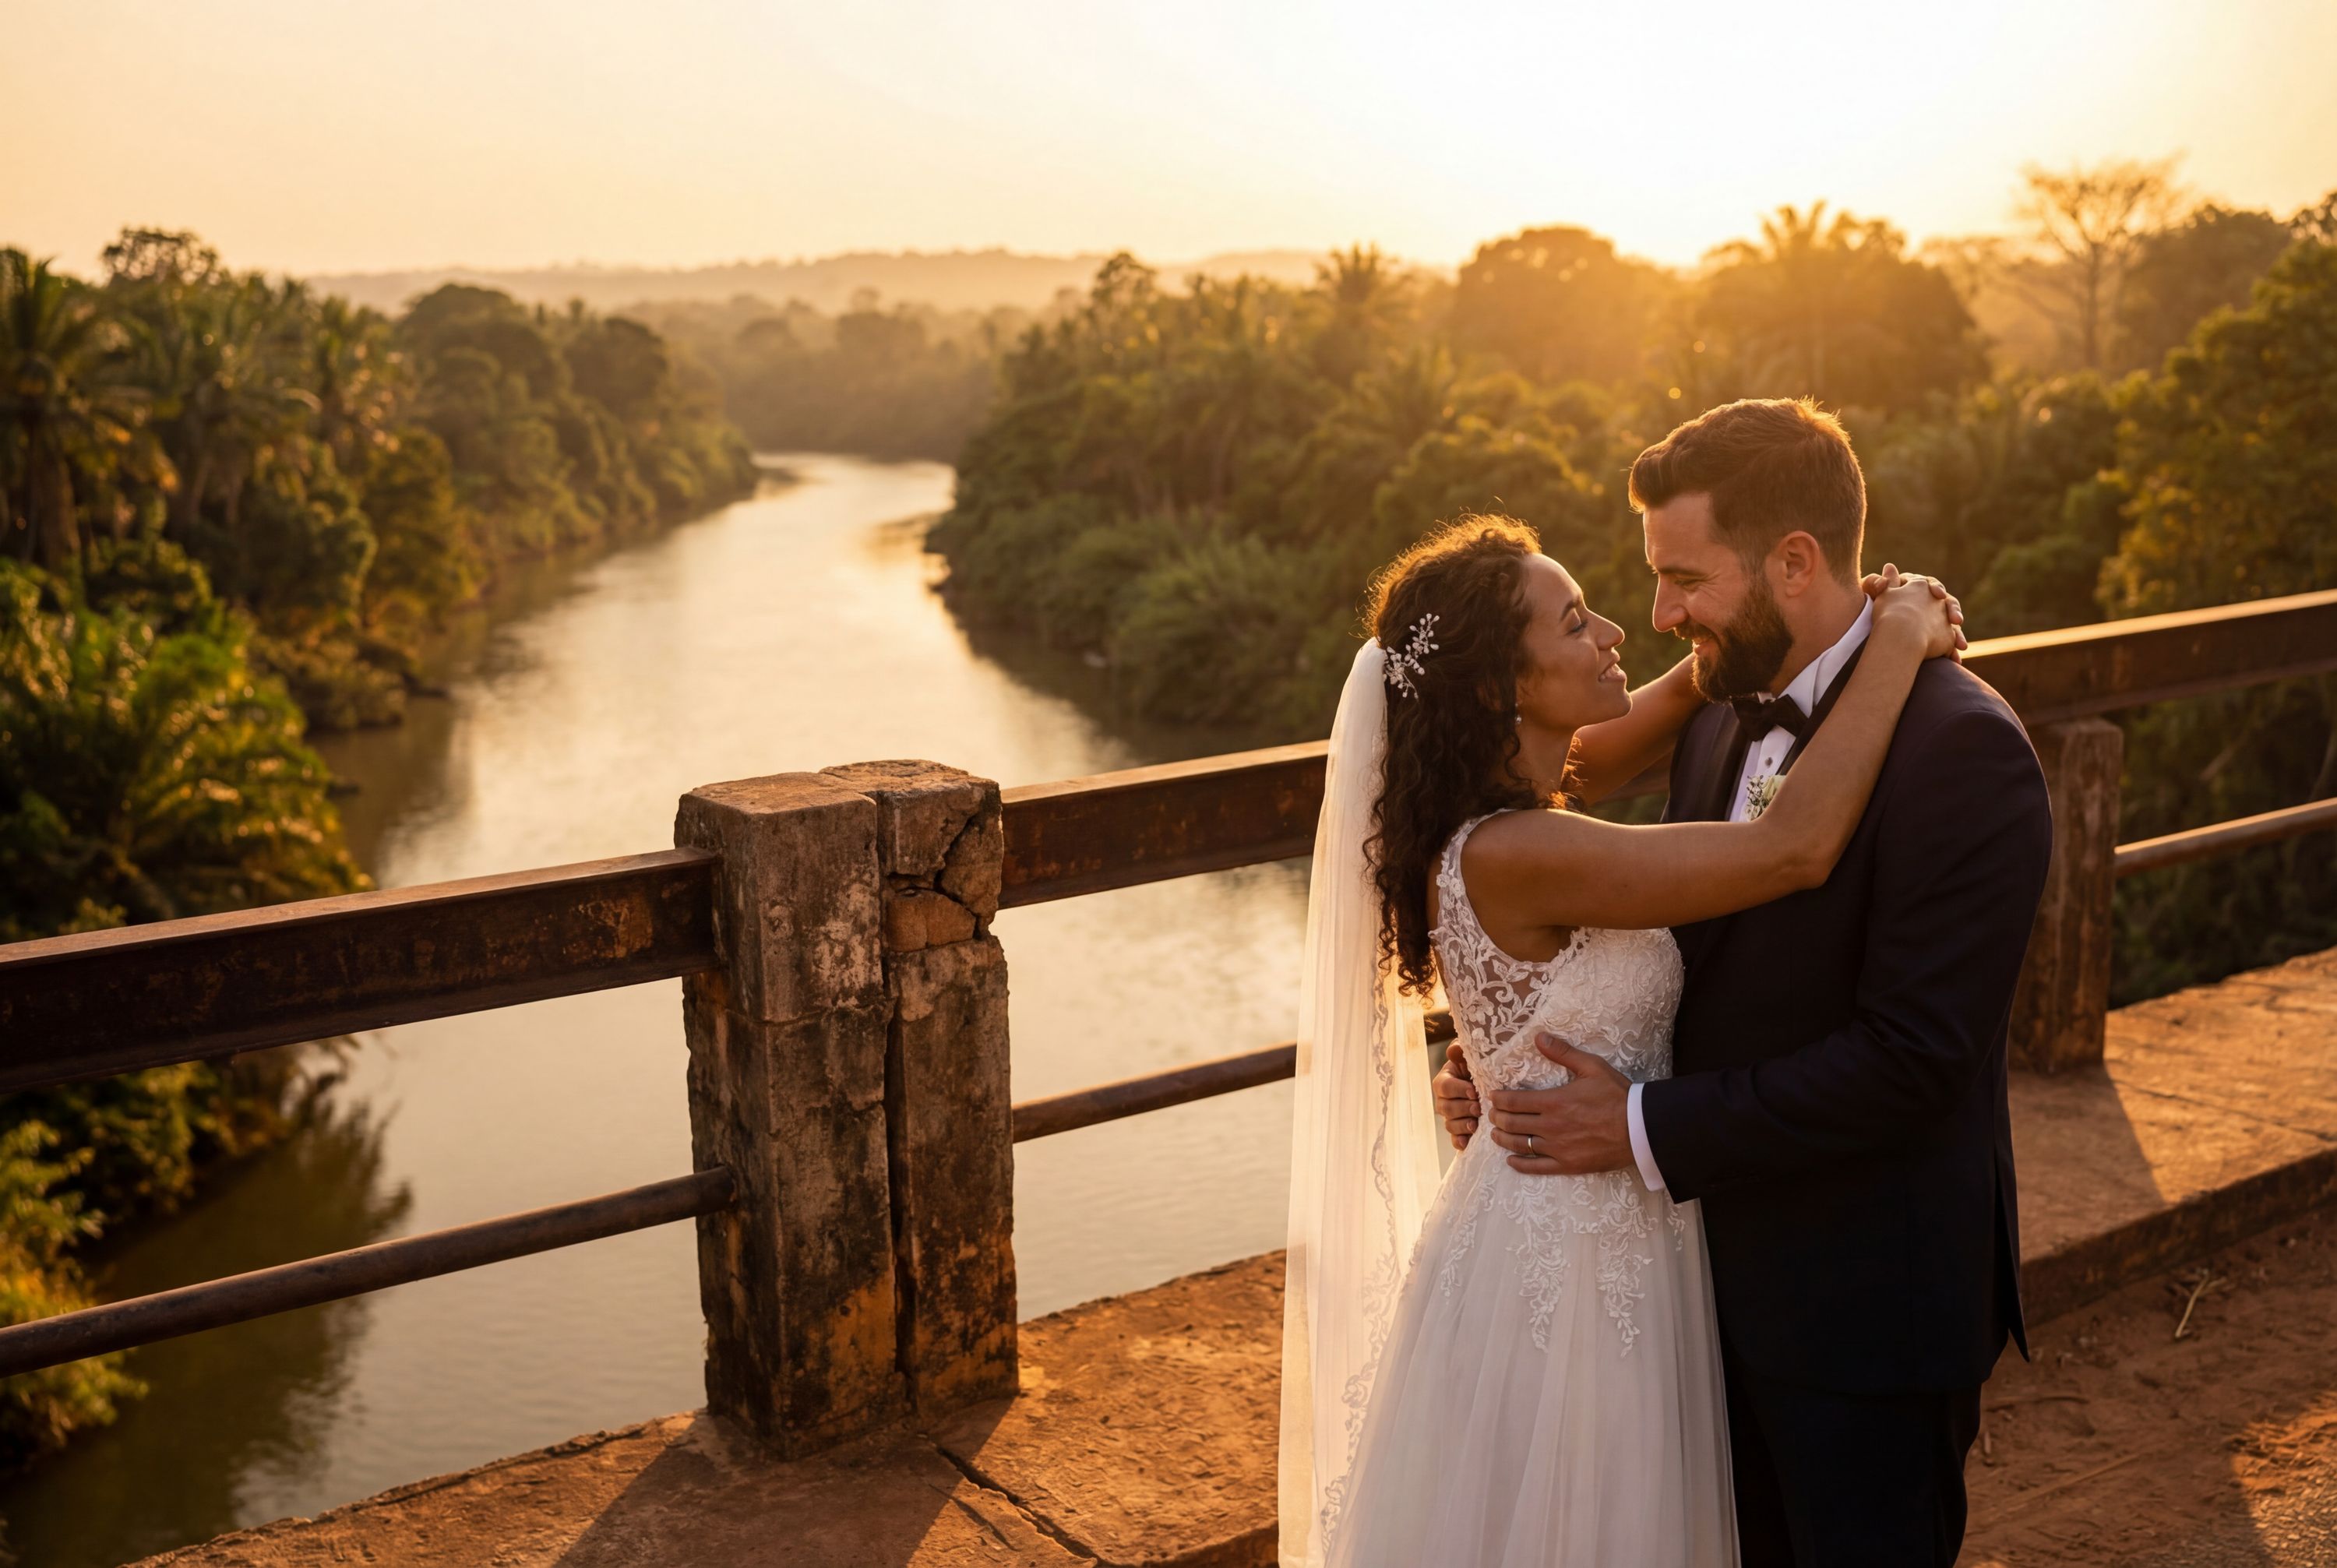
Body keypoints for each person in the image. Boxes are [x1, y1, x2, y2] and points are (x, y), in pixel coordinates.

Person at [1281, 410, 1980, 1565]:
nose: (1619, 625)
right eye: (1575, 620)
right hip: (1577, 1250)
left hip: (1589, 1216)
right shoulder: (1525, 849)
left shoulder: (1522, 802)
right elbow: (1788, 850)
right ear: (1503, 690)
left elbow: (1687, 689)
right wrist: (1898, 639)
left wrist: (1767, 622)